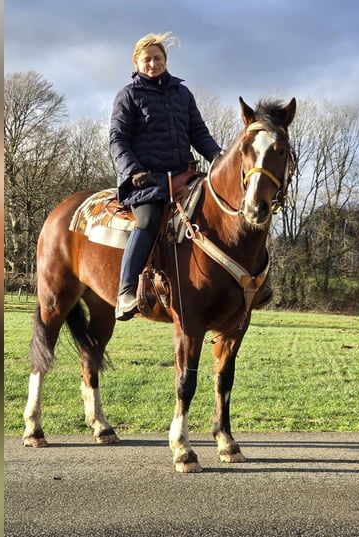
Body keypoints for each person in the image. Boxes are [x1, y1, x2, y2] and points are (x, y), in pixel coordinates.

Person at [109, 32, 222, 321]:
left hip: (184, 174)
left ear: (166, 60)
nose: (153, 63)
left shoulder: (182, 93)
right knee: (148, 221)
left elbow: (198, 133)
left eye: (158, 58)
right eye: (146, 59)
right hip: (146, 180)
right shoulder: (128, 95)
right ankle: (125, 291)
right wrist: (134, 170)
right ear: (136, 62)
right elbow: (118, 140)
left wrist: (218, 157)